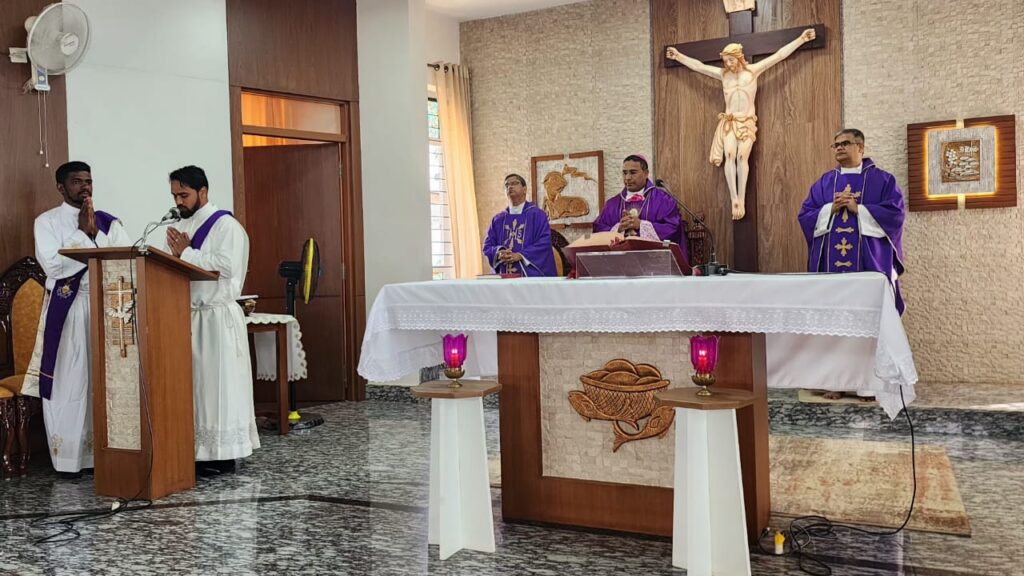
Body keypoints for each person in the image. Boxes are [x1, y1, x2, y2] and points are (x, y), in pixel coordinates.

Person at [25, 161, 131, 475]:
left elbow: (126, 260)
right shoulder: (46, 222)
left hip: (107, 310)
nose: (85, 187)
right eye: (76, 181)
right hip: (69, 311)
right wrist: (84, 234)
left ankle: (105, 455)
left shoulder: (109, 223)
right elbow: (53, 267)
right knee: (70, 381)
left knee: (104, 380)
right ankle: (70, 459)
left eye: (88, 181)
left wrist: (95, 232)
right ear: (61, 187)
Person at [798, 129, 906, 400]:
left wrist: (861, 210)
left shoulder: (883, 181)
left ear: (861, 147)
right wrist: (829, 210)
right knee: (833, 323)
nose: (838, 148)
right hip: (831, 271)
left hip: (869, 267)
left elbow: (895, 214)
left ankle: (870, 385)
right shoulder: (824, 183)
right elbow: (805, 215)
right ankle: (834, 382)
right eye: (835, 144)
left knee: (870, 324)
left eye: (845, 143)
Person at [164, 165, 259, 475]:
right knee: (194, 388)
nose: (178, 201)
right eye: (174, 195)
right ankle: (194, 450)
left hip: (216, 318)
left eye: (184, 194)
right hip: (187, 317)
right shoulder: (180, 226)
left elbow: (225, 266)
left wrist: (186, 253)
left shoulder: (225, 226)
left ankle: (221, 455)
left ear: (202, 191)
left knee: (217, 387)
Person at [666, 28, 816, 220]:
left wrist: (801, 39)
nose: (728, 64)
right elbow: (699, 67)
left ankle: (741, 199)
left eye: (731, 60)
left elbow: (779, 56)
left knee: (741, 157)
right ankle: (734, 199)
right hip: (730, 121)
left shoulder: (753, 71)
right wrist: (678, 57)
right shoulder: (723, 75)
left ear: (739, 57)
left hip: (746, 122)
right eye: (726, 61)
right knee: (729, 155)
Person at [592, 155, 688, 261]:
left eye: (633, 172)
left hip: (654, 264)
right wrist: (618, 229)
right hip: (621, 263)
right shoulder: (612, 204)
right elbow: (598, 230)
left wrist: (641, 225)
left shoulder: (663, 200)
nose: (627, 178)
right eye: (625, 173)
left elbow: (674, 228)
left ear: (646, 173)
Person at [482, 173, 557, 277]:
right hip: (503, 276)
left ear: (524, 189)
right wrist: (499, 253)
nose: (510, 187)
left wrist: (520, 255)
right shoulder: (498, 220)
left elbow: (544, 242)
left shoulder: (538, 215)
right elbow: (487, 246)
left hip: (530, 278)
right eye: (507, 185)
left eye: (514, 183)